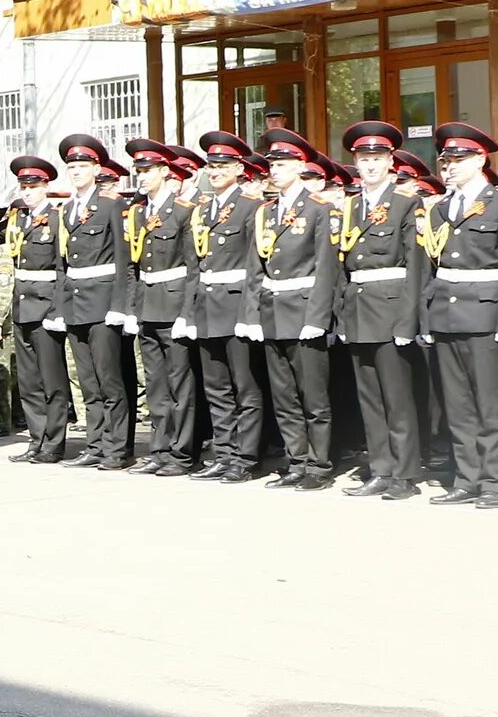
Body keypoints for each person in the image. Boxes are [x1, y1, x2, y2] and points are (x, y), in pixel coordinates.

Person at [418, 124, 498, 510]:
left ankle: (494, 481)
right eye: (445, 160)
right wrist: (427, 319)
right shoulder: (441, 208)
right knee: (457, 404)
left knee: (489, 403)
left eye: (458, 160)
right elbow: (432, 267)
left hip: (484, 312)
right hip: (445, 312)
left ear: (480, 161)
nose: (449, 167)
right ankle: (466, 477)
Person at [333, 122, 426, 500]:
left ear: (391, 162)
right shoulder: (350, 207)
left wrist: (408, 319)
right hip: (358, 309)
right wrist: (340, 314)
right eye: (363, 159)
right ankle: (381, 468)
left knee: (397, 397)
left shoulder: (406, 204)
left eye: (376, 159)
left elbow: (416, 265)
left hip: (391, 310)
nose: (369, 166)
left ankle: (404, 473)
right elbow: (341, 267)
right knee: (369, 397)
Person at [254, 130, 343, 490]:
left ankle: (319, 465)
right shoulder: (267, 212)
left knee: (314, 397)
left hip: (305, 310)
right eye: (272, 164)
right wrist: (252, 315)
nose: (274, 170)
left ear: (301, 166)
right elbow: (255, 269)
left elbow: (326, 268)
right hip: (273, 311)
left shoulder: (319, 209)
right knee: (285, 397)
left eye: (283, 164)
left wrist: (318, 318)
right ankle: (297, 461)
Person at [190, 131, 267, 482]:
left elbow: (256, 265)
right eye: (211, 165)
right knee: (216, 387)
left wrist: (250, 314)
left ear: (239, 168)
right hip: (208, 306)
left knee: (245, 387)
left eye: (222, 165)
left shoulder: (252, 208)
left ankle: (247, 457)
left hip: (237, 306)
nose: (215, 171)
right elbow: (197, 263)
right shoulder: (203, 210)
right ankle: (224, 452)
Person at [56, 133, 136, 470]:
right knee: (88, 381)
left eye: (82, 166)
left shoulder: (112, 205)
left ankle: (117, 447)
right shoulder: (66, 210)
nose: (76, 171)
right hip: (76, 303)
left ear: (96, 168)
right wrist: (60, 308)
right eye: (71, 166)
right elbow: (63, 264)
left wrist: (122, 306)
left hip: (104, 302)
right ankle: (96, 443)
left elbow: (123, 260)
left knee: (110, 378)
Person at [0, 154, 71, 462]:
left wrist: (58, 309)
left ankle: (55, 442)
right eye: (23, 187)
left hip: (46, 307)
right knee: (30, 382)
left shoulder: (59, 218)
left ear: (46, 186)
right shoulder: (17, 219)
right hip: (21, 307)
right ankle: (37, 440)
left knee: (52, 380)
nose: (27, 192)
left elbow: (65, 268)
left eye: (33, 186)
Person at [123, 139, 197, 476]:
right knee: (155, 384)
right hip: (148, 305)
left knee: (180, 384)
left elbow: (194, 265)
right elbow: (132, 267)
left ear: (165, 172)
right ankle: (160, 448)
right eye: (138, 170)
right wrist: (130, 309)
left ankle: (182, 453)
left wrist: (187, 312)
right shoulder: (138, 213)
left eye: (147, 170)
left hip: (174, 301)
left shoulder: (184, 211)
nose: (140, 176)